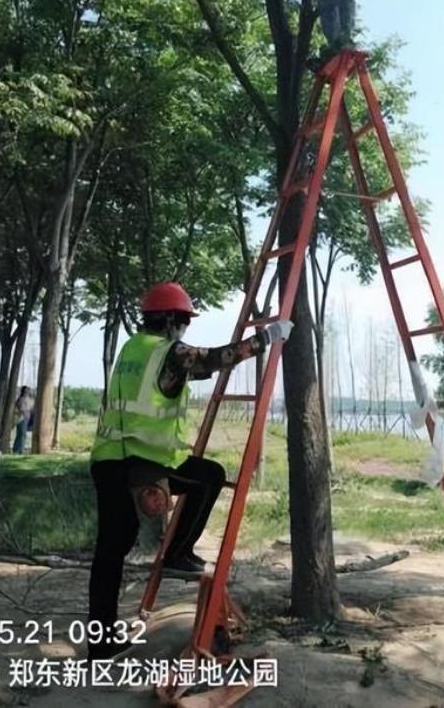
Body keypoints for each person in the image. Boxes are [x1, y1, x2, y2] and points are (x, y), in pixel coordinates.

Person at [88, 281, 293, 660]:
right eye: (182, 322)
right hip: (144, 460)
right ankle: (179, 552)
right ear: (169, 321)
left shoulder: (133, 350)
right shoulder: (170, 351)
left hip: (108, 459)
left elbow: (186, 372)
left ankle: (100, 644)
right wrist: (267, 337)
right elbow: (210, 359)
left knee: (111, 550)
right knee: (210, 476)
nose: (183, 330)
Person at [13, 386, 33, 455]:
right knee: (21, 434)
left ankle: (18, 449)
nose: (28, 392)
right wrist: (26, 412)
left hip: (27, 418)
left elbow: (31, 408)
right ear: (24, 391)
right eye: (26, 390)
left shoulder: (29, 399)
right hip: (21, 418)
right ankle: (19, 449)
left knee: (22, 434)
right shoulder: (21, 399)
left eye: (28, 390)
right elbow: (21, 409)